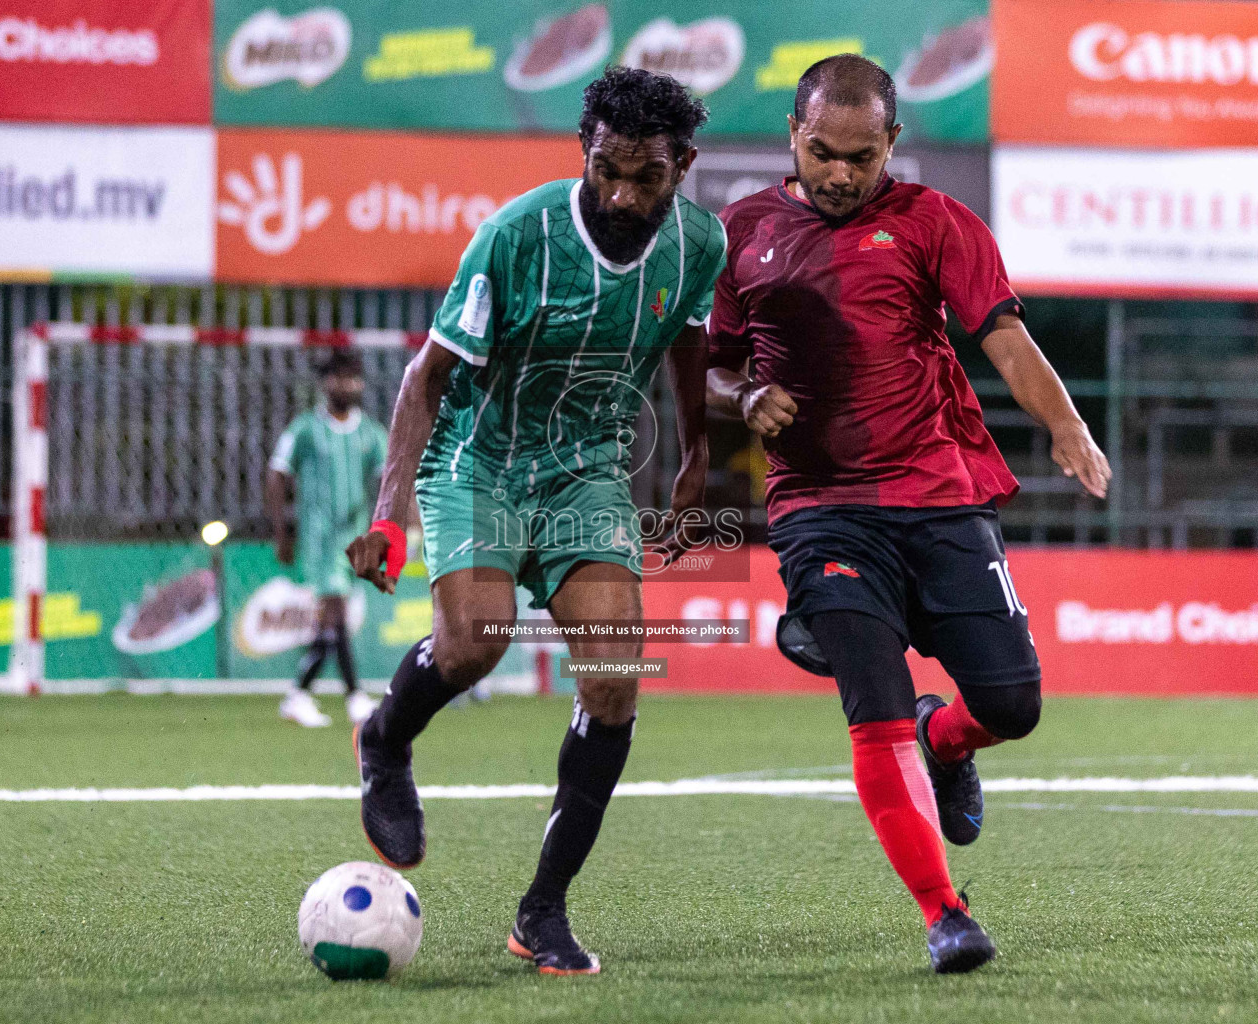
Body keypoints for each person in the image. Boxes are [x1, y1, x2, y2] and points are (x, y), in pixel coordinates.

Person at [705, 55, 1111, 974]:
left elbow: (1003, 335)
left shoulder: (936, 223)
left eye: (861, 155)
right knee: (872, 707)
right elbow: (711, 362)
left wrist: (1066, 427)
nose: (841, 174)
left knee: (1014, 704)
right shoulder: (741, 233)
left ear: (893, 143)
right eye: (821, 152)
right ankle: (944, 913)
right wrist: (742, 396)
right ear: (792, 134)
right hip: (820, 509)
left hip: (940, 496)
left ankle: (947, 738)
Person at [346, 67, 725, 976]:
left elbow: (687, 341)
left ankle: (542, 912)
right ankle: (385, 739)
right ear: (583, 152)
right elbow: (425, 379)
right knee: (475, 645)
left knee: (614, 683)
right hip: (479, 463)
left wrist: (695, 454)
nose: (623, 194)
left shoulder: (699, 244)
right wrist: (388, 516)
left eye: (648, 176)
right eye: (606, 169)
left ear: (685, 166)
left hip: (590, 476)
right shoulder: (517, 236)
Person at [266, 348, 388, 728]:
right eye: (339, 377)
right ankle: (354, 696)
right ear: (326, 383)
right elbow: (277, 474)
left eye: (353, 377)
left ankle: (299, 694)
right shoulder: (305, 428)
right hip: (320, 539)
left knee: (332, 621)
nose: (347, 385)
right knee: (335, 612)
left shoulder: (371, 432)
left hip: (355, 542)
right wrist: (282, 531)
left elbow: (390, 480)